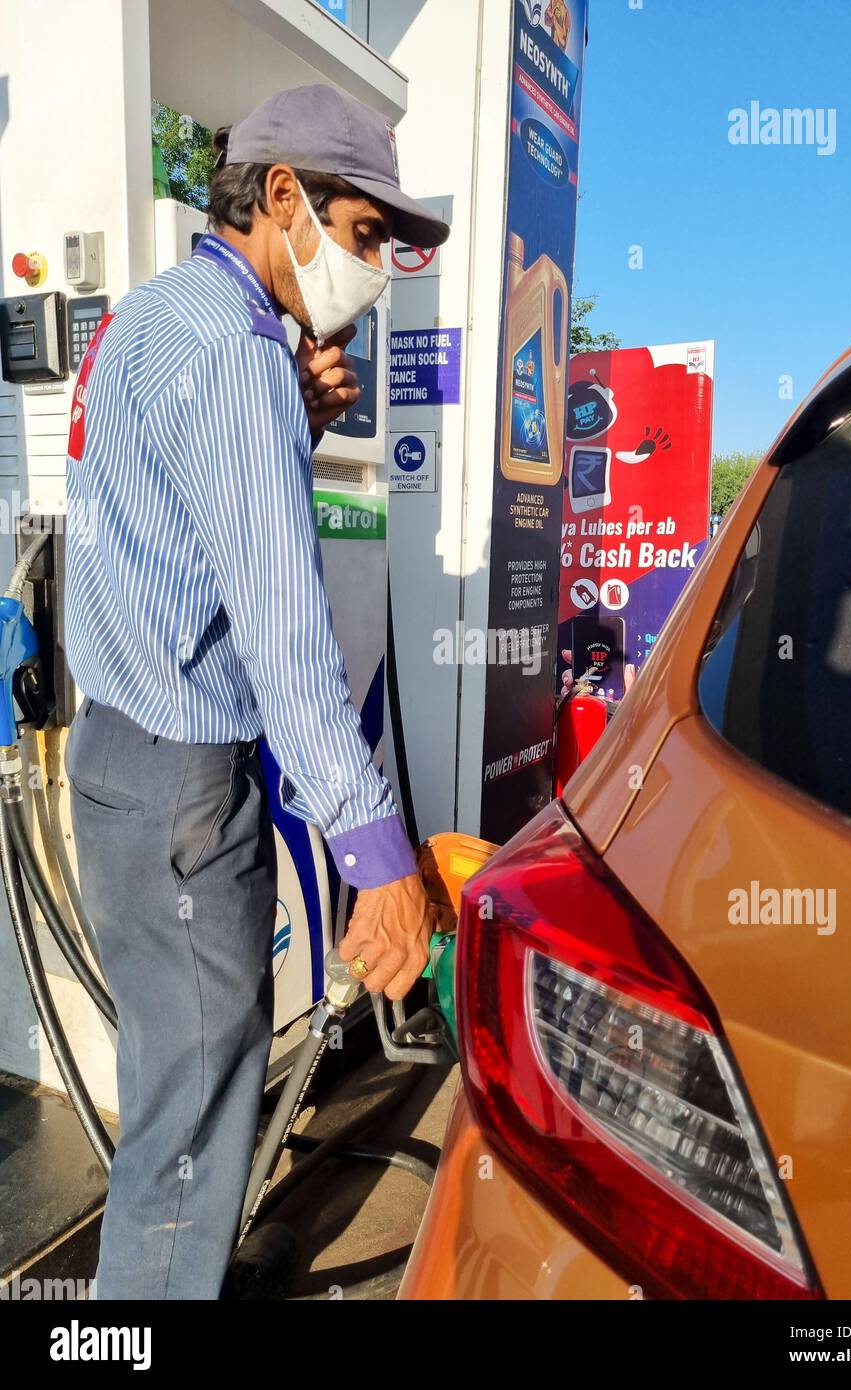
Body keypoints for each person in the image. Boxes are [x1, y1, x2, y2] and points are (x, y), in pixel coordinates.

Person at [63, 84, 450, 1300]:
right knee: (187, 1144)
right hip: (182, 786)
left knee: (179, 1092)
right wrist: (379, 857)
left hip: (123, 760)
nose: (375, 263)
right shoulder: (234, 357)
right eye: (363, 229)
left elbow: (170, 522)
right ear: (280, 196)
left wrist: (288, 408)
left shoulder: (155, 319)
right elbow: (284, 637)